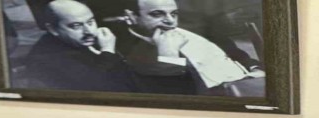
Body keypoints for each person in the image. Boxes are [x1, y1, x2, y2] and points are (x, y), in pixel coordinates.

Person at [117, 0, 265, 95]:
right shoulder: (130, 53)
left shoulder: (194, 26)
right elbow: (175, 92)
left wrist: (253, 67)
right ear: (131, 17)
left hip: (252, 80)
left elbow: (230, 50)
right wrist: (168, 55)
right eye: (157, 15)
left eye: (174, 14)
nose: (170, 21)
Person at [23, 0, 137, 92]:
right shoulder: (45, 59)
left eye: (90, 22)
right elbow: (99, 87)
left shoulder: (76, 40)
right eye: (76, 26)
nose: (89, 31)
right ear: (53, 29)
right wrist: (108, 50)